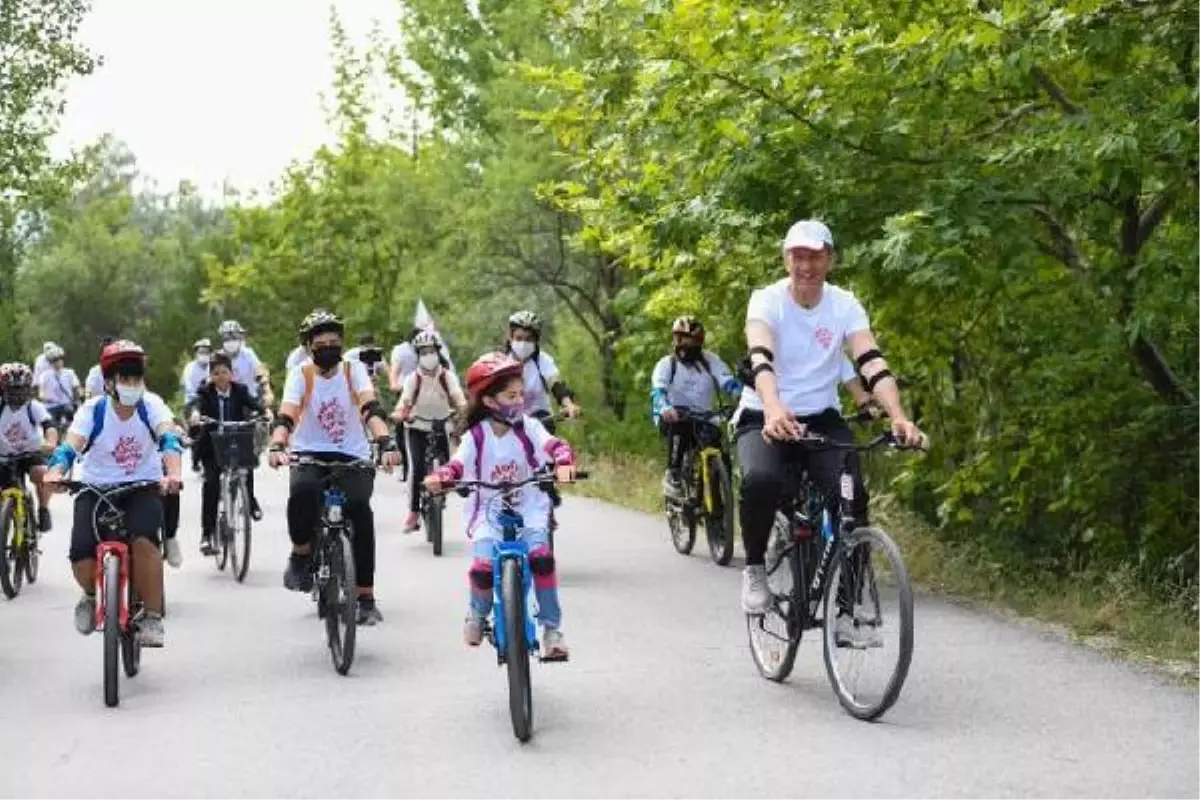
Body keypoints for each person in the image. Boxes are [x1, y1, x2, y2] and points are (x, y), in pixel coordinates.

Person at [734, 219, 926, 647]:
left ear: (829, 259)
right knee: (761, 480)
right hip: (765, 412)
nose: (806, 265)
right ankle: (755, 570)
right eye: (798, 256)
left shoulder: (844, 305)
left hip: (820, 417)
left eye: (815, 256)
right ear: (787, 260)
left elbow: (871, 361)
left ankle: (847, 612)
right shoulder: (767, 300)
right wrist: (772, 406)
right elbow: (760, 356)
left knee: (852, 497)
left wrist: (897, 414)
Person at [424, 352, 577, 658]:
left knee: (542, 560)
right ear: (490, 401)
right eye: (511, 395)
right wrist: (442, 476)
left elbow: (555, 446)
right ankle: (477, 615)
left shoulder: (529, 427)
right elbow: (456, 465)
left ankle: (552, 631)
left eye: (522, 394)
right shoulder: (476, 437)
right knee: (482, 570)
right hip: (487, 511)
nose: (519, 401)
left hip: (529, 506)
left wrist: (563, 463)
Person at [46, 340, 183, 647]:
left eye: (137, 379)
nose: (132, 385)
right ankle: (93, 593)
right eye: (125, 379)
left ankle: (151, 616)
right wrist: (56, 473)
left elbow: (169, 441)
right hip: (95, 488)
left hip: (142, 486)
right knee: (81, 557)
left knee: (146, 541)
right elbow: (70, 448)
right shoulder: (92, 411)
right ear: (109, 383)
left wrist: (173, 473)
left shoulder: (151, 405)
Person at [267, 309, 400, 626]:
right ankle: (301, 554)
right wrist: (277, 444)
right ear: (309, 346)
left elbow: (371, 408)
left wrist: (385, 442)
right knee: (302, 492)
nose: (329, 347)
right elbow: (287, 413)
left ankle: (365, 596)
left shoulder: (354, 371)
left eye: (334, 341)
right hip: (309, 452)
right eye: (321, 342)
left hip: (351, 454)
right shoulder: (302, 374)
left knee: (360, 513)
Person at [650, 316, 741, 499]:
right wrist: (665, 407)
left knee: (718, 448)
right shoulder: (667, 364)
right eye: (679, 338)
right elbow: (658, 392)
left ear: (699, 341)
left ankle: (720, 497)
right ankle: (673, 474)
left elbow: (728, 382)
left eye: (689, 340)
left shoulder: (710, 360)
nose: (683, 344)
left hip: (704, 417)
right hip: (674, 416)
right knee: (681, 428)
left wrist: (741, 396)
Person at [186, 352, 265, 556]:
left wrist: (265, 413)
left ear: (231, 373)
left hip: (236, 440)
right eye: (216, 373)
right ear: (211, 376)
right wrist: (195, 414)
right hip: (212, 445)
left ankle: (250, 501)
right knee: (211, 484)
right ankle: (207, 534)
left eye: (224, 372)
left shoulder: (240, 390)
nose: (220, 377)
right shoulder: (205, 392)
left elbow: (254, 404)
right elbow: (195, 404)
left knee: (246, 467)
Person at [392, 331, 466, 532]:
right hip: (416, 426)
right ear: (417, 355)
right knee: (415, 468)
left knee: (451, 464)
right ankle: (414, 512)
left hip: (442, 425)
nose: (428, 355)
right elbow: (405, 400)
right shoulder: (412, 379)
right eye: (423, 352)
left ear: (438, 352)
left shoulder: (447, 376)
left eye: (431, 351)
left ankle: (449, 488)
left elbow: (458, 396)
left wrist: (464, 409)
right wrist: (400, 412)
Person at [0, 363, 59, 531]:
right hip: (3, 456)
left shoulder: (33, 407)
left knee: (41, 473)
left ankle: (43, 509)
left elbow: (50, 425)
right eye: (12, 390)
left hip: (30, 452)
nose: (17, 394)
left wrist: (51, 443)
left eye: (22, 389)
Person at [504, 310, 581, 434]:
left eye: (528, 339)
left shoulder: (542, 361)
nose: (523, 343)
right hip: (509, 424)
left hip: (540, 421)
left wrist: (568, 405)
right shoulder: (500, 362)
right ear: (510, 337)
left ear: (536, 341)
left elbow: (556, 385)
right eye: (519, 338)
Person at [37, 344, 82, 434]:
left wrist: (79, 396)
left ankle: (70, 435)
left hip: (66, 404)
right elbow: (41, 393)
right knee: (50, 426)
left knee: (71, 414)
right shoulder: (45, 375)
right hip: (51, 406)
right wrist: (45, 398)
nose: (58, 362)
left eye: (60, 359)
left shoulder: (69, 373)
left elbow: (77, 388)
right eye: (55, 360)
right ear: (51, 362)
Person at [180, 338, 213, 404]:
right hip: (193, 402)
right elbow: (187, 388)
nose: (204, 354)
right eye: (201, 352)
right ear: (196, 354)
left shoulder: (214, 366)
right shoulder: (189, 368)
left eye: (207, 352)